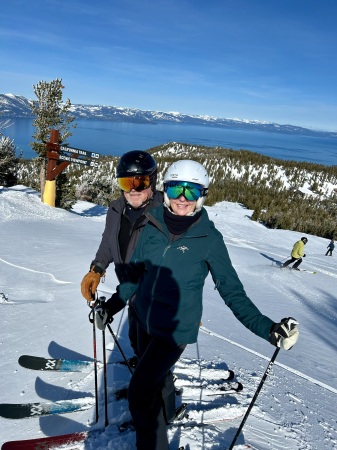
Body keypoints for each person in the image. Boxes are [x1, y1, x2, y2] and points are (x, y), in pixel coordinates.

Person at [95, 160, 299, 450]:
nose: (182, 198)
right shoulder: (151, 223)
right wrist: (112, 307)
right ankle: (162, 416)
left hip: (173, 331)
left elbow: (233, 293)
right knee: (150, 378)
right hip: (142, 319)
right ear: (165, 190)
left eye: (191, 192)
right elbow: (134, 277)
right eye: (177, 188)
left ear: (202, 196)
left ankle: (153, 439)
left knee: (140, 393)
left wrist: (269, 329)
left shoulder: (210, 240)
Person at [80, 150, 163, 367]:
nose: (133, 190)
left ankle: (156, 396)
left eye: (141, 182)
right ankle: (142, 371)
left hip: (155, 299)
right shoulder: (116, 209)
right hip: (131, 293)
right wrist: (97, 268)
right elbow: (108, 242)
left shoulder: (165, 215)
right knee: (136, 339)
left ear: (152, 182)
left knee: (153, 356)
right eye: (127, 183)